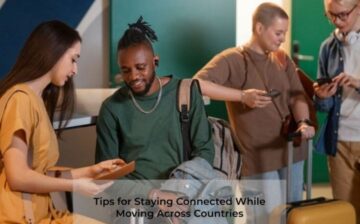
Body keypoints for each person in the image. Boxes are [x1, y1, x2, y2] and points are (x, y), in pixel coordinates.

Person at [194, 2, 315, 215]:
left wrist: (304, 123)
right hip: (258, 157)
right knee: (267, 217)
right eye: (278, 33)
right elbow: (197, 84)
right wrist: (242, 96)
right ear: (259, 28)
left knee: (294, 214)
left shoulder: (282, 59)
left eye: (284, 33)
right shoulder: (232, 59)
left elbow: (297, 97)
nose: (283, 39)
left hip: (292, 150)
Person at [0, 20, 123, 224]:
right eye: (73, 59)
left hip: (43, 212)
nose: (75, 70)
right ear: (54, 53)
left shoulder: (35, 100)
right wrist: (75, 186)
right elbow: (18, 176)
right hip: (22, 216)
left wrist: (91, 171)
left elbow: (39, 174)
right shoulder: (20, 99)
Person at [95, 16, 214, 219]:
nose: (133, 76)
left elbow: (205, 152)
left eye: (141, 67)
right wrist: (155, 196)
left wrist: (179, 194)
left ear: (155, 62)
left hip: (185, 198)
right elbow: (105, 177)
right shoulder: (111, 108)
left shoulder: (186, 93)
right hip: (138, 207)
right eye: (126, 70)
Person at [314, 0, 360, 221]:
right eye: (330, 16)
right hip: (339, 140)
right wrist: (322, 97)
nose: (336, 21)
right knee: (344, 212)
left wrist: (357, 83)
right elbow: (324, 107)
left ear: (358, 7)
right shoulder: (327, 47)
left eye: (342, 15)